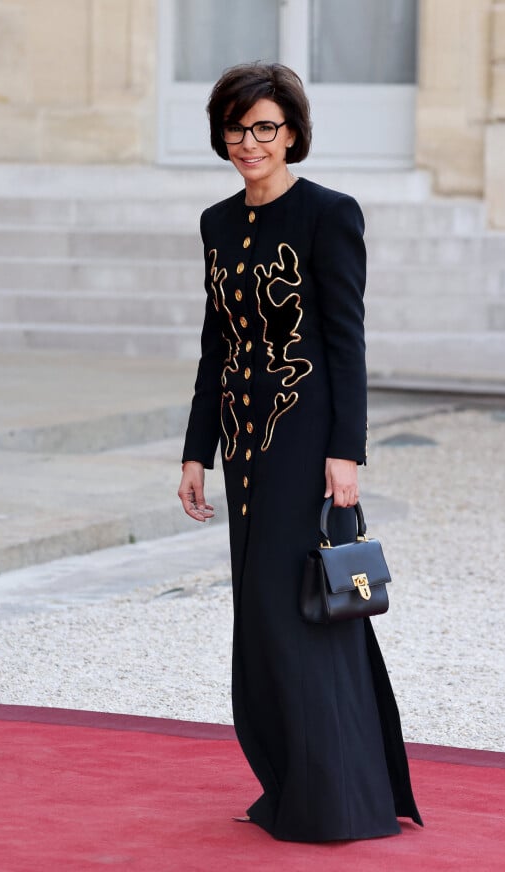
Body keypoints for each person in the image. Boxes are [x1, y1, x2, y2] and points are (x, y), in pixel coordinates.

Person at [178, 62, 422, 842]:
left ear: (292, 134)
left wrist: (346, 451)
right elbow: (216, 342)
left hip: (303, 438)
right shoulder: (218, 223)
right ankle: (288, 781)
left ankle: (337, 797)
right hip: (243, 445)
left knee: (302, 613)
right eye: (237, 127)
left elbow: (347, 340)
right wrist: (195, 450)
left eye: (265, 128)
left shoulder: (328, 214)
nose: (249, 142)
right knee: (260, 615)